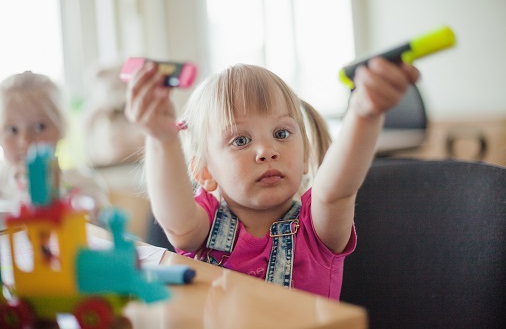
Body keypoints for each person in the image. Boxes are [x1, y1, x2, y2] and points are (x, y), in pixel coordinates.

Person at [125, 59, 419, 299]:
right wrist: (162, 138)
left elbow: (335, 189)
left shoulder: (316, 227)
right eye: (240, 140)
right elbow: (176, 221)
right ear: (205, 173)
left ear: (305, 157)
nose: (267, 151)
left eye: (281, 134)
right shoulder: (204, 226)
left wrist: (363, 113)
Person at [0, 71, 110, 225]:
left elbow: (103, 231)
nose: (25, 141)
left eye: (39, 126)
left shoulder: (83, 184)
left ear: (62, 129)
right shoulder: (3, 180)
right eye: (12, 130)